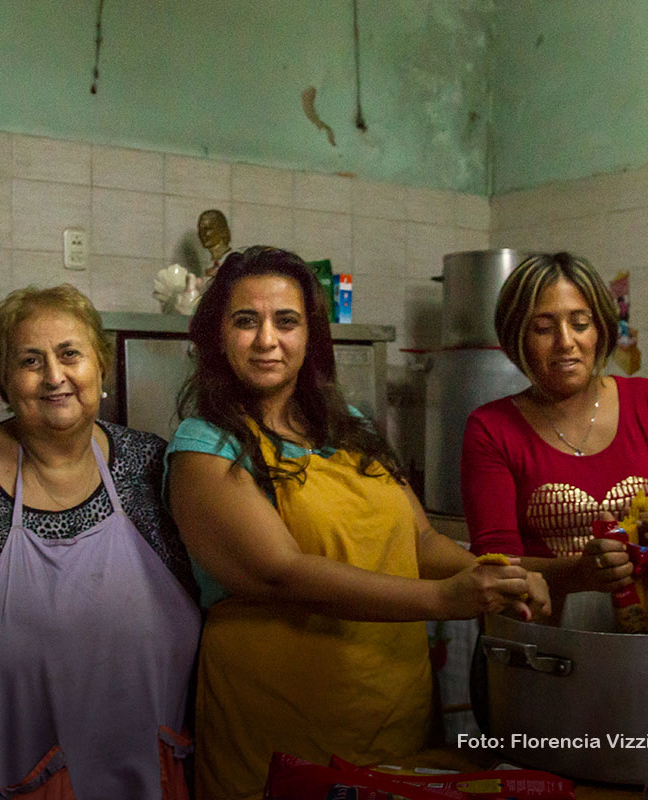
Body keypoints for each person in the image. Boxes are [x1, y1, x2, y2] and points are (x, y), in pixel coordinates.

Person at [164, 246, 549, 800]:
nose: (267, 340)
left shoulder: (352, 429)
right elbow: (282, 572)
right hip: (280, 733)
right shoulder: (205, 446)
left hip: (394, 711)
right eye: (246, 321)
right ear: (217, 336)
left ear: (310, 335)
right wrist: (446, 600)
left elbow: (420, 540)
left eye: (286, 321)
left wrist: (496, 575)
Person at [0, 285, 200, 799]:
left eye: (70, 354)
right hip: (12, 779)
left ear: (102, 366)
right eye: (30, 360)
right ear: (1, 381)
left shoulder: (155, 469)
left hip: (153, 775)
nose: (54, 376)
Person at [462, 251, 648, 609]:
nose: (565, 342)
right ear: (516, 338)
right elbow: (497, 564)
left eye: (580, 324)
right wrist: (579, 573)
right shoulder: (491, 428)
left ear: (600, 329)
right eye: (543, 328)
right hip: (545, 641)